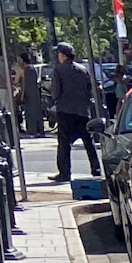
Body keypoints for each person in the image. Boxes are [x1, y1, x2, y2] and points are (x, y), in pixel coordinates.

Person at [45, 42, 98, 182]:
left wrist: (56, 102)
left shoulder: (58, 70)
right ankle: (96, 169)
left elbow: (55, 90)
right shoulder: (83, 70)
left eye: (59, 54)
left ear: (63, 55)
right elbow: (89, 90)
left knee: (64, 144)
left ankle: (64, 173)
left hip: (65, 111)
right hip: (82, 111)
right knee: (88, 141)